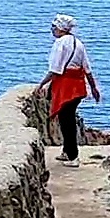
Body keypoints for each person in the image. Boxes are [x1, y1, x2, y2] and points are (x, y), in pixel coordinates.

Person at [42, 14, 101, 166]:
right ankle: (66, 151)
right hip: (78, 86)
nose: (52, 30)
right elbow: (87, 68)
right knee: (68, 118)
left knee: (66, 121)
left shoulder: (60, 44)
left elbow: (55, 69)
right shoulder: (79, 43)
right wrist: (93, 88)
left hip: (65, 87)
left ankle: (73, 157)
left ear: (61, 29)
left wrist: (41, 84)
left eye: (54, 27)